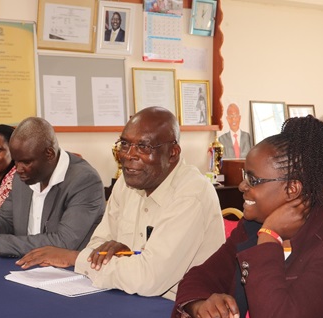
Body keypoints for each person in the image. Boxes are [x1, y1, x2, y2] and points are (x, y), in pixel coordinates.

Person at [172, 116, 323, 318]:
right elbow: (199, 277)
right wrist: (200, 305)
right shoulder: (251, 226)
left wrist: (269, 235)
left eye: (253, 180)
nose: (242, 186)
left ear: (292, 188)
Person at [15, 107, 225, 298]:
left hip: (179, 311)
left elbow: (148, 279)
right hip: (125, 297)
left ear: (172, 153)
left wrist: (73, 258)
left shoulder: (191, 193)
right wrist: (126, 257)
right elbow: (97, 248)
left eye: (143, 146)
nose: (128, 156)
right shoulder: (128, 183)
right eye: (125, 144)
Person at [0, 117, 105, 257]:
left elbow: (64, 242)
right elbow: (6, 218)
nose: (18, 169)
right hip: (24, 265)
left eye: (26, 162)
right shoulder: (23, 176)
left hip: (67, 274)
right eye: (16, 161)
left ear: (49, 154)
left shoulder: (84, 181)